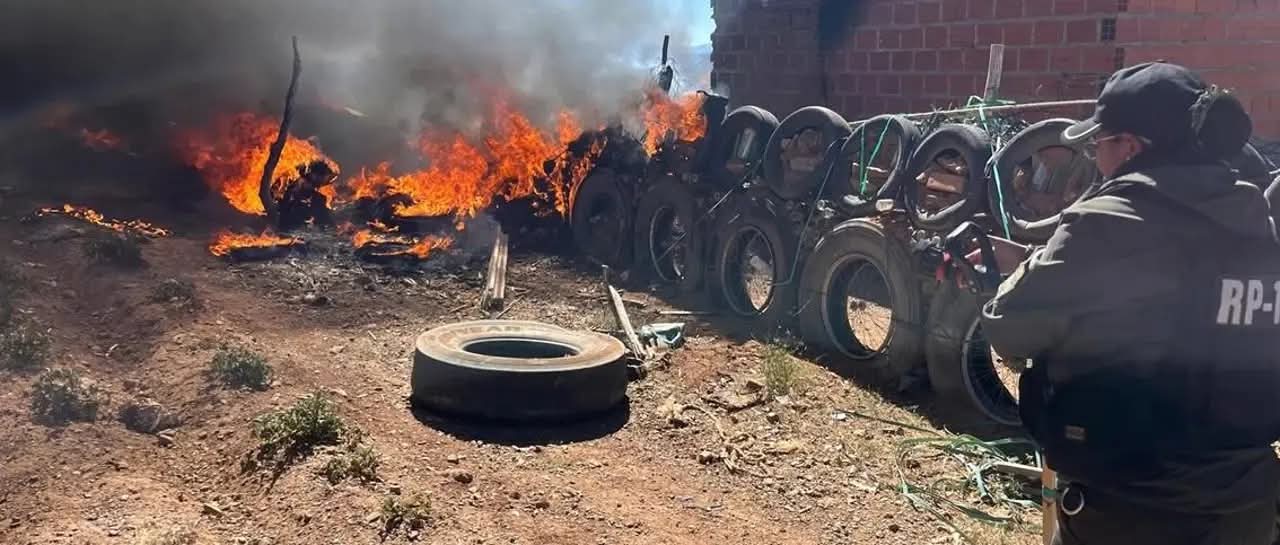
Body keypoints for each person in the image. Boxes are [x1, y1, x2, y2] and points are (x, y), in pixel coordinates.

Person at [977, 62, 1280, 544]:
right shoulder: (1256, 220)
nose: (1094, 155)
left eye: (1099, 142)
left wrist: (1016, 273)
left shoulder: (1104, 221)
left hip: (1131, 506)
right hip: (1244, 505)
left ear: (1131, 147)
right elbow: (1180, 289)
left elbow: (1010, 327)